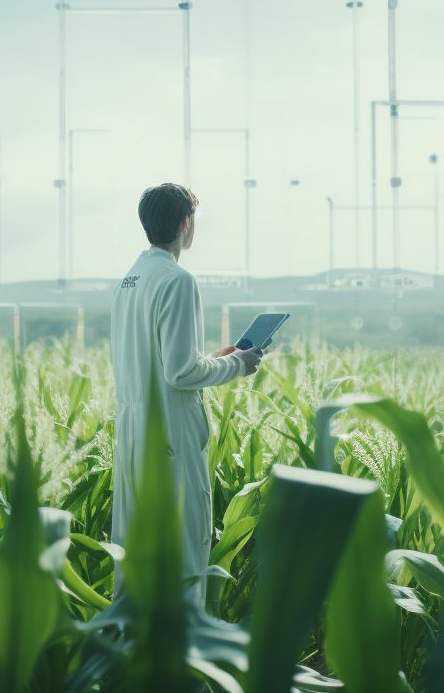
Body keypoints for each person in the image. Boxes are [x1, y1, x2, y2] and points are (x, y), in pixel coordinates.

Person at [110, 183, 264, 601]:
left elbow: (159, 364)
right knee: (180, 552)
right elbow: (180, 373)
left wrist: (211, 357)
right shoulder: (177, 280)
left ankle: (129, 654)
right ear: (186, 222)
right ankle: (178, 656)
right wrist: (239, 364)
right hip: (169, 436)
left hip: (133, 431)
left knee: (136, 550)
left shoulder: (131, 279)